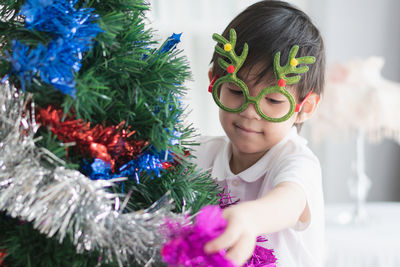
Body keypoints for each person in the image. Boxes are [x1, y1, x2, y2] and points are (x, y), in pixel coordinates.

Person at [192, 1, 326, 266]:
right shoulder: (199, 154)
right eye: (236, 91)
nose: (251, 112)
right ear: (214, 83)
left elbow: (290, 201)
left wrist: (249, 218)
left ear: (304, 108)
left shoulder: (297, 161)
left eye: (273, 100)